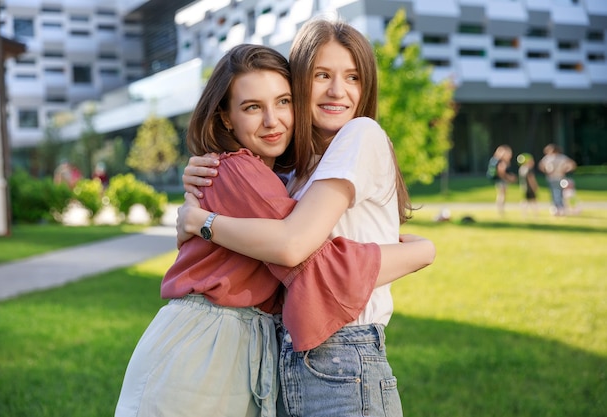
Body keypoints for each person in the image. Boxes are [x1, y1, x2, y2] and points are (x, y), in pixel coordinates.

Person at [116, 44, 433, 417]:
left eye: (282, 102)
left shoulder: (278, 175)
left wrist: (203, 222)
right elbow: (309, 259)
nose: (272, 120)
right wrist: (420, 252)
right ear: (226, 118)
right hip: (208, 346)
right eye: (252, 107)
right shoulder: (240, 172)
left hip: (237, 344)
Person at [538, 143, 577, 216]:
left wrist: (546, 172)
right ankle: (562, 208)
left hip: (552, 178)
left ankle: (557, 208)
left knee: (555, 193)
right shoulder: (562, 157)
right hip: (561, 177)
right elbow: (572, 164)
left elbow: (541, 165)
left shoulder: (548, 158)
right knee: (561, 193)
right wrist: (565, 170)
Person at [488, 145, 517, 216]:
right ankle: (501, 211)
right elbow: (501, 172)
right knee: (501, 195)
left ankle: (501, 210)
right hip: (501, 180)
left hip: (499, 180)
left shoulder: (497, 160)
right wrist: (509, 178)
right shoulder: (501, 162)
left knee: (501, 194)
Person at [517, 153, 539, 218]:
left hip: (524, 187)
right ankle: (535, 213)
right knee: (533, 200)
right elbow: (531, 179)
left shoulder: (521, 169)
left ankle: (524, 213)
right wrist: (535, 186)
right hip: (529, 188)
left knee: (525, 200)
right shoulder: (528, 169)